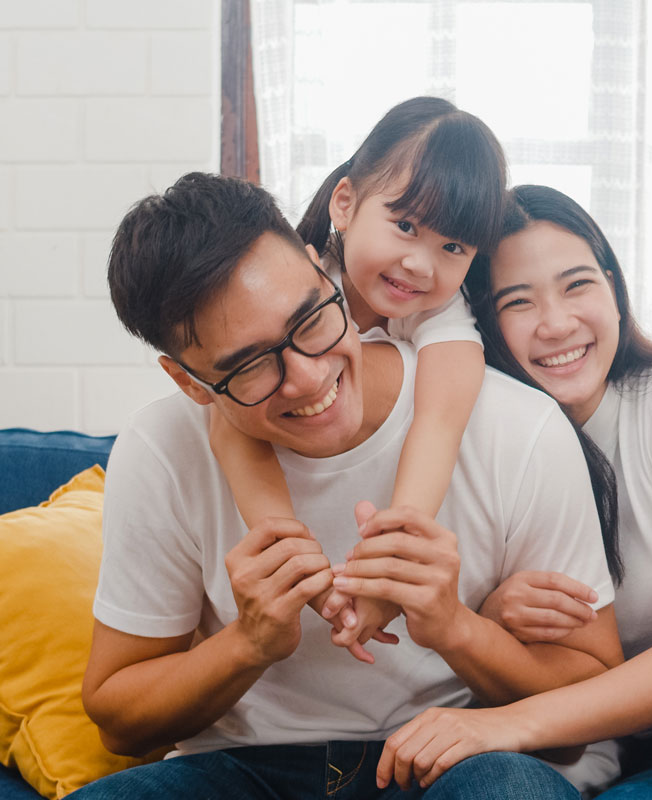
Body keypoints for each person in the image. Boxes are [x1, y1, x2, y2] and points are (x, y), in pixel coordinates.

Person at [71, 173, 623, 799]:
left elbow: (587, 705)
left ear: (322, 272)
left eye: (310, 320)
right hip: (243, 769)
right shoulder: (160, 449)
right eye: (250, 367)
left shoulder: (516, 427)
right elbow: (118, 720)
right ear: (191, 384)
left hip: (450, 758)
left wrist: (452, 626)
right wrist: (246, 645)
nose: (308, 379)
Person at [369, 185, 652, 799]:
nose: (557, 323)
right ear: (486, 327)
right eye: (518, 302)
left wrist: (500, 725)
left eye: (577, 285)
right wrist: (494, 619)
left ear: (613, 288)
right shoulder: (496, 449)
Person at [209, 97, 508, 661]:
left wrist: (389, 567)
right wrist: (310, 580)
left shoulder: (442, 313)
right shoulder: (299, 284)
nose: (421, 264)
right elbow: (231, 429)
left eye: (453, 247)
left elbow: (441, 420)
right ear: (344, 204)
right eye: (405, 225)